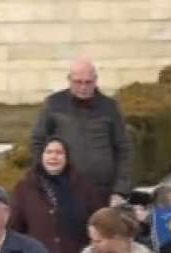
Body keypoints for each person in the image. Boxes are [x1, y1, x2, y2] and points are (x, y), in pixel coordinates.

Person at [31, 58, 132, 207]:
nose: (83, 87)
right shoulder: (54, 104)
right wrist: (42, 182)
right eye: (78, 82)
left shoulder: (109, 107)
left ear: (95, 80)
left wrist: (120, 191)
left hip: (103, 191)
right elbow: (38, 142)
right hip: (64, 189)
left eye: (88, 82)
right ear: (69, 80)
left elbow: (124, 149)